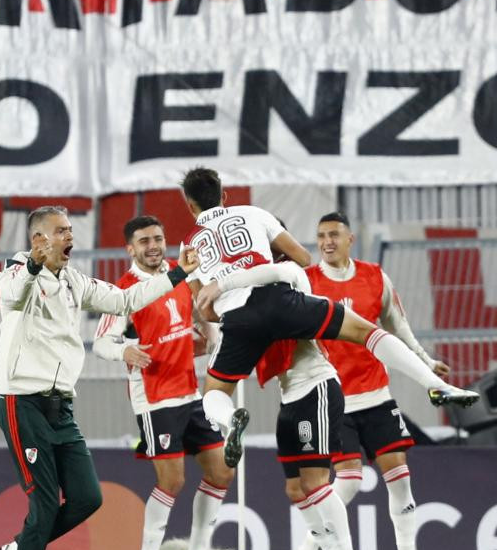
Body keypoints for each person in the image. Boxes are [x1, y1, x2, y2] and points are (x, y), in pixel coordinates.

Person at [180, 167, 479, 475]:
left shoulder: (187, 247)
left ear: (189, 205)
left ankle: (231, 423)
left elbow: (206, 312)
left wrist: (226, 289)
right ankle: (435, 385)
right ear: (224, 196)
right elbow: (302, 257)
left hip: (238, 320)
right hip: (280, 301)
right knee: (366, 331)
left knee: (215, 392)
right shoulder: (253, 213)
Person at [0, 206, 199, 550]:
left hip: (61, 406)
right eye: (61, 231)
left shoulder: (72, 279)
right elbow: (12, 297)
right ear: (38, 240)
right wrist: (33, 263)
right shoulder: (16, 273)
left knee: (87, 497)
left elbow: (124, 300)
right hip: (22, 403)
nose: (70, 236)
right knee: (46, 503)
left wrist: (177, 275)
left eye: (70, 230)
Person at [289, 212, 450, 550]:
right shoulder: (308, 281)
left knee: (401, 477)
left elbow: (399, 327)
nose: (326, 242)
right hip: (334, 396)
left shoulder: (375, 277)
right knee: (349, 480)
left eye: (333, 235)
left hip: (377, 394)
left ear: (350, 239)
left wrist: (427, 363)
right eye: (320, 235)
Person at [92, 215, 232, 550]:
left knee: (221, 470)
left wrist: (206, 339)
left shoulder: (180, 274)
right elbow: (101, 342)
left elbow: (194, 324)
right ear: (130, 249)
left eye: (158, 238)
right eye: (144, 241)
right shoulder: (123, 291)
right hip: (155, 400)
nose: (153, 246)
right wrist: (124, 350)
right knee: (172, 482)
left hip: (190, 393)